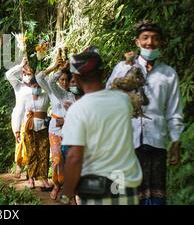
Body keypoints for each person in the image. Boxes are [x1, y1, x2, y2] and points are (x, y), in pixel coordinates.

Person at [106, 21, 184, 205]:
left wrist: (175, 140)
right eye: (145, 38)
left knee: (154, 198)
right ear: (137, 42)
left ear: (161, 42)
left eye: (156, 39)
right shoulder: (123, 68)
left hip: (156, 143)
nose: (150, 42)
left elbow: (174, 111)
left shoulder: (168, 74)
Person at [61, 47, 142, 205]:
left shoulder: (78, 109)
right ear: (104, 74)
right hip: (125, 184)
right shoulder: (123, 101)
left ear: (76, 78)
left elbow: (74, 157)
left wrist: (67, 193)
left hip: (97, 188)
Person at [36, 59, 76, 199]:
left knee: (68, 162)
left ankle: (68, 190)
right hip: (54, 131)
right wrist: (56, 68)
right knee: (57, 160)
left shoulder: (71, 96)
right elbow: (40, 77)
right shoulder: (54, 91)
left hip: (69, 132)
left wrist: (65, 121)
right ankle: (57, 185)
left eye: (66, 80)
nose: (64, 82)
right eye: (62, 79)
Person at [5, 56, 33, 179]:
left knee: (31, 144)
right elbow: (8, 74)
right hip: (20, 119)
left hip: (32, 119)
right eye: (25, 73)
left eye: (30, 73)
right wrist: (21, 65)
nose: (27, 75)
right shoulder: (18, 85)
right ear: (22, 73)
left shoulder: (36, 87)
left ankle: (29, 169)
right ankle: (18, 166)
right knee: (20, 142)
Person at [23, 78, 51, 189]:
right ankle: (31, 178)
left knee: (44, 152)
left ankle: (44, 179)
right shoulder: (26, 98)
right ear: (30, 86)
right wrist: (16, 129)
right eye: (34, 86)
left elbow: (48, 84)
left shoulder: (46, 96)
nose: (37, 88)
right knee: (31, 153)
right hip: (30, 128)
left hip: (43, 127)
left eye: (39, 86)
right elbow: (20, 112)